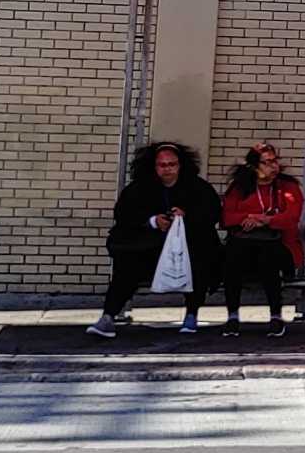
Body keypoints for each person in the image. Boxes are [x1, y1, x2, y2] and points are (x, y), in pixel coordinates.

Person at [89, 140, 222, 337]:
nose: (167, 169)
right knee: (127, 265)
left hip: (189, 246)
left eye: (172, 164)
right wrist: (152, 221)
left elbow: (212, 214)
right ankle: (108, 316)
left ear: (181, 165)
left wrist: (186, 217)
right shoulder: (138, 189)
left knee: (200, 261)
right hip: (147, 247)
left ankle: (191, 314)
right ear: (153, 166)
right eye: (162, 165)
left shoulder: (198, 188)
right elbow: (124, 215)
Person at [218, 141, 304, 337]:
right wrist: (246, 219)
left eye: (275, 161)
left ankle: (275, 316)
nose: (274, 166)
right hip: (244, 244)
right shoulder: (240, 188)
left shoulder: (287, 186)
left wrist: (266, 220)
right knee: (232, 257)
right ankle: (232, 317)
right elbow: (226, 217)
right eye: (267, 163)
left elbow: (292, 217)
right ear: (254, 166)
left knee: (268, 257)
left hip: (279, 244)